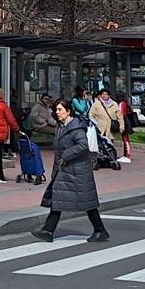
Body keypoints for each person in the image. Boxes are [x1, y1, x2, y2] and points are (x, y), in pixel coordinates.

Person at [31, 97, 109, 243]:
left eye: (60, 110)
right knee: (58, 198)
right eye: (56, 110)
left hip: (77, 171)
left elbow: (83, 145)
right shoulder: (61, 126)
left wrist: (66, 155)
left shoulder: (76, 128)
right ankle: (48, 230)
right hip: (66, 169)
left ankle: (100, 230)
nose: (57, 112)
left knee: (87, 202)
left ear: (68, 111)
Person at [90, 88, 127, 162]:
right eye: (102, 94)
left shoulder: (114, 104)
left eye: (106, 94)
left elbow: (119, 116)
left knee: (110, 144)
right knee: (100, 144)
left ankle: (110, 158)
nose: (104, 96)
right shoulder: (97, 104)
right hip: (100, 128)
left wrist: (122, 126)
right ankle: (100, 158)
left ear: (109, 96)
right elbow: (91, 114)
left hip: (110, 128)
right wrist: (95, 123)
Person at [115, 92, 134, 162]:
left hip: (124, 122)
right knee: (125, 139)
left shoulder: (121, 104)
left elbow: (121, 114)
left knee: (125, 139)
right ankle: (126, 154)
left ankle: (128, 155)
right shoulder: (125, 103)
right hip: (126, 122)